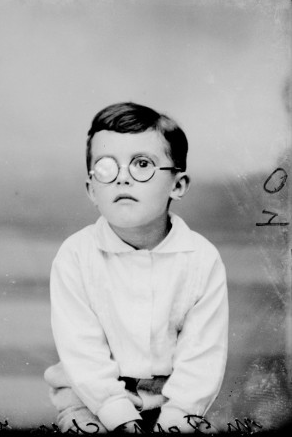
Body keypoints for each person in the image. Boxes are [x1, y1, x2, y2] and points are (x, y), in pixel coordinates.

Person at [43, 102, 228, 433]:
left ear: (178, 185)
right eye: (106, 167)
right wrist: (120, 418)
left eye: (142, 164)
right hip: (89, 396)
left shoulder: (202, 259)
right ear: (92, 190)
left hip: (171, 400)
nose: (123, 178)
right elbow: (83, 355)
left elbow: (202, 358)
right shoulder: (76, 256)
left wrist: (175, 419)